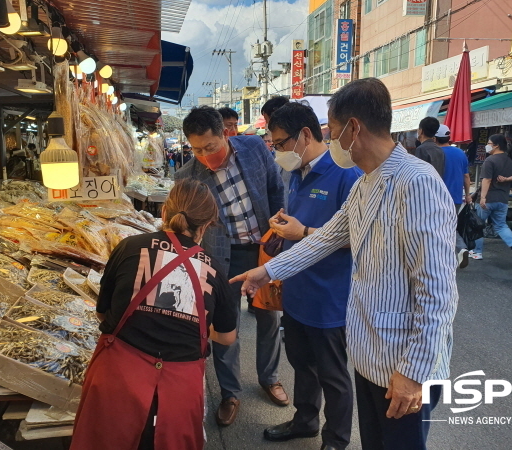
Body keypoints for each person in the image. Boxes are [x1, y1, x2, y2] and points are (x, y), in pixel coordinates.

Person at [231, 78, 458, 450]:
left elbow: (436, 291)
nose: (331, 140)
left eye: (333, 132)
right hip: (371, 354)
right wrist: (266, 271)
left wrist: (413, 373)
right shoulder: (365, 184)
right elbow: (323, 239)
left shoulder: (416, 182)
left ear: (354, 128)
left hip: (405, 365)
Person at [71, 179, 237, 450]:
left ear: (164, 213)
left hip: (117, 380)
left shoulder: (129, 247)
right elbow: (227, 337)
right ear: (206, 226)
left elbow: (104, 313)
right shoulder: (216, 270)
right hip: (179, 392)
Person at [175, 106, 286, 427]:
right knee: (225, 328)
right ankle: (230, 392)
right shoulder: (187, 176)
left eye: (211, 147)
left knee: (269, 317)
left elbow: (276, 187)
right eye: (196, 150)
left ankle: (270, 377)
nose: (205, 155)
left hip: (264, 249)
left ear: (225, 133)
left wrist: (279, 232)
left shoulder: (253, 149)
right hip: (222, 257)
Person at [263, 102, 362, 449]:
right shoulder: (296, 172)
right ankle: (305, 420)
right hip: (298, 290)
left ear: (305, 134)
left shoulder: (347, 174)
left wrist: (303, 231)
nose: (277, 152)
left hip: (330, 295)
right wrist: (284, 228)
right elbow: (299, 224)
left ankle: (335, 439)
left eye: (279, 144)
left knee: (333, 374)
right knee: (301, 363)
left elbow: (356, 237)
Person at [471, 133, 512, 264]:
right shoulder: (511, 159)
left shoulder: (490, 160)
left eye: (488, 143)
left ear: (496, 145)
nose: (487, 146)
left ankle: (477, 252)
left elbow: (486, 180)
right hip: (503, 200)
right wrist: (507, 179)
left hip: (488, 199)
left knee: (478, 226)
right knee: (501, 226)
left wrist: (482, 198)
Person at [435, 124, 472, 268]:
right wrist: (467, 195)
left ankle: (460, 248)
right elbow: (467, 176)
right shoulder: (460, 153)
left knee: (442, 227)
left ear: (435, 137)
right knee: (449, 225)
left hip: (439, 197)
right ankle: (455, 252)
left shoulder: (436, 153)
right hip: (456, 197)